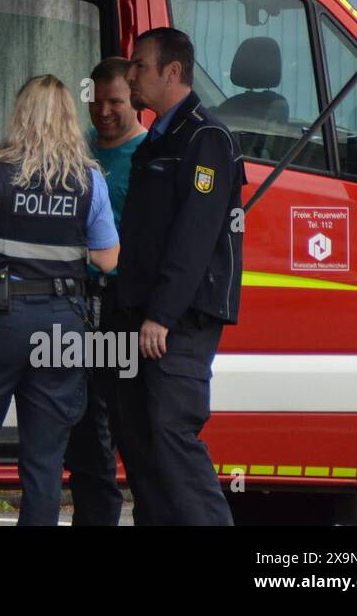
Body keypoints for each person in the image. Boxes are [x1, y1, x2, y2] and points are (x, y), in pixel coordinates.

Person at [0, 75, 119, 526]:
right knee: (44, 459)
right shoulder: (90, 181)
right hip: (62, 325)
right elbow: (108, 257)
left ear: (20, 116)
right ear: (69, 120)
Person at [114, 27, 243, 525]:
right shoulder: (159, 139)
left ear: (173, 72)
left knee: (171, 436)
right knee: (141, 442)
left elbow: (194, 238)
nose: (130, 75)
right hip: (141, 316)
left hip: (177, 322)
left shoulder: (205, 138)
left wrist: (161, 315)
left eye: (139, 65)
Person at [63, 57, 147, 526]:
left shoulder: (149, 155)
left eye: (115, 101)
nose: (104, 111)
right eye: (95, 102)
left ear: (134, 99)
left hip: (123, 306)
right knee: (83, 423)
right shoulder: (78, 149)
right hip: (76, 300)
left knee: (126, 423)